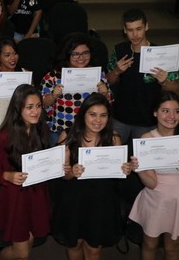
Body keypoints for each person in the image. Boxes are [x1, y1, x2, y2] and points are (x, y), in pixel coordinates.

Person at [129, 91, 179, 260]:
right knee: (149, 244)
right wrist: (140, 169)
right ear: (155, 112)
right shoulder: (146, 139)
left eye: (177, 111)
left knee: (173, 247)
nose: (172, 116)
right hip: (155, 199)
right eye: (165, 111)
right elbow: (152, 184)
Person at [51, 93, 131, 259]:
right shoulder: (68, 136)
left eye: (103, 115)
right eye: (92, 114)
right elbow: (61, 174)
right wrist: (71, 172)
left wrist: (125, 170)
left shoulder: (114, 139)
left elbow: (117, 174)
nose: (98, 120)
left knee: (94, 249)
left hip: (102, 200)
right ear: (83, 115)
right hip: (74, 200)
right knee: (74, 244)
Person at [0, 84, 52, 260]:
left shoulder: (42, 129)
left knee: (29, 239)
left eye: (38, 106)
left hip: (37, 192)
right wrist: (7, 175)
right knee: (22, 253)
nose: (35, 111)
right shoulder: (4, 135)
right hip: (16, 196)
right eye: (29, 107)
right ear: (18, 108)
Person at [106, 8, 179, 144]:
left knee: (142, 162)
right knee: (115, 157)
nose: (135, 34)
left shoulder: (161, 54)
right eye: (130, 30)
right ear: (124, 30)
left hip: (147, 120)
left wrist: (164, 82)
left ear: (146, 26)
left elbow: (174, 88)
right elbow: (107, 81)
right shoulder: (119, 51)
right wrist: (116, 71)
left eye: (138, 29)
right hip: (120, 117)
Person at [41, 33, 112, 146]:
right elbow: (43, 104)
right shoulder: (53, 76)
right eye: (75, 54)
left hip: (91, 132)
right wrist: (53, 96)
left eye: (85, 53)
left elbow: (108, 106)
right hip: (61, 129)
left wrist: (104, 93)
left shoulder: (98, 75)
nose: (81, 58)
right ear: (67, 54)